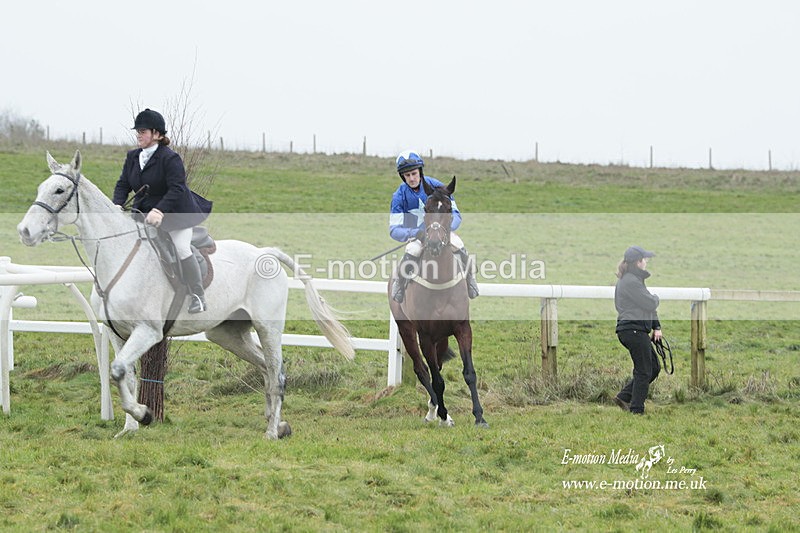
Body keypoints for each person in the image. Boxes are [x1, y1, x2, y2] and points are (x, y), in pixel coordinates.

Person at [113, 108, 212, 313]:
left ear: (157, 134)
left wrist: (159, 210)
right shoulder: (133, 157)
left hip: (176, 214)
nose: (139, 135)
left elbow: (177, 188)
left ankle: (198, 295)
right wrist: (117, 204)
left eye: (143, 131)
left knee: (181, 247)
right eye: (137, 131)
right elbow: (123, 184)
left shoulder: (170, 158)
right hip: (143, 215)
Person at [389, 150, 479, 303]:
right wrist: (415, 233)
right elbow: (394, 230)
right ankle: (399, 284)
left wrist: (445, 229)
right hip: (418, 237)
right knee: (413, 250)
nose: (411, 178)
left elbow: (456, 215)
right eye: (407, 175)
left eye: (414, 173)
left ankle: (470, 279)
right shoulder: (398, 196)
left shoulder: (437, 186)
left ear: (420, 171)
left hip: (442, 234)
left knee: (459, 244)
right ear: (402, 176)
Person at [614, 245, 662, 414]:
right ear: (638, 262)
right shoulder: (631, 282)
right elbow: (650, 303)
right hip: (633, 330)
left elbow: (647, 306)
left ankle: (624, 396)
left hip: (635, 329)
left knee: (654, 367)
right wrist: (655, 298)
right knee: (644, 370)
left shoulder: (633, 280)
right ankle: (636, 409)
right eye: (645, 259)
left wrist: (656, 327)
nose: (646, 262)